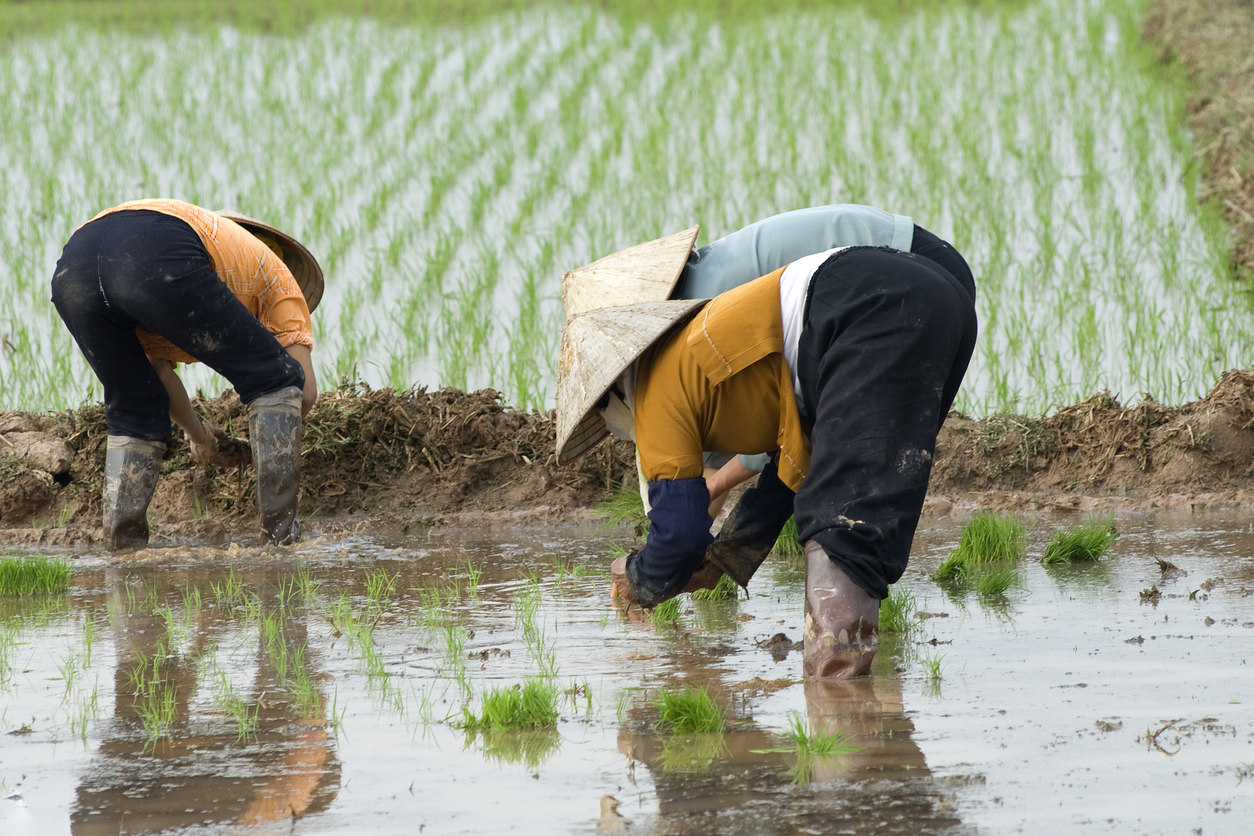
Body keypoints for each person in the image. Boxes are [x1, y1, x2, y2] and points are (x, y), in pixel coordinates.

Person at [556, 210, 976, 678]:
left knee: (842, 526)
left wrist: (637, 577)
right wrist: (729, 554)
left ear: (611, 394)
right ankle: (854, 713)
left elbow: (678, 535)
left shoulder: (655, 393)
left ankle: (841, 718)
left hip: (867, 307)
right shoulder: (707, 352)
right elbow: (794, 464)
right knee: (856, 510)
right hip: (933, 297)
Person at [50, 198, 323, 548]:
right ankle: (281, 537)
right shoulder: (280, 279)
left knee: (135, 409)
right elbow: (302, 390)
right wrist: (264, 448)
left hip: (74, 265)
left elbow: (156, 372)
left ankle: (124, 548)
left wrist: (199, 436)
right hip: (157, 250)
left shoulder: (212, 246)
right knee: (277, 377)